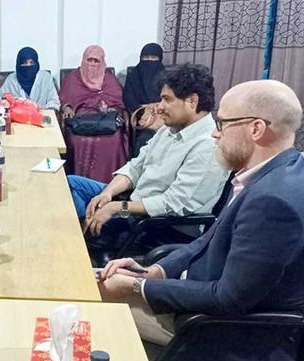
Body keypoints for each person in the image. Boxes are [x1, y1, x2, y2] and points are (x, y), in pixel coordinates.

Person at [98, 80, 304, 361]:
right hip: (202, 303)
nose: (215, 133)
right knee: (98, 285)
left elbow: (227, 300)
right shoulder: (275, 173)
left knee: (94, 304)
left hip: (225, 338)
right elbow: (207, 240)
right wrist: (154, 271)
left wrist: (137, 286)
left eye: (222, 123)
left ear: (255, 129)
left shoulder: (274, 202)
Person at [68, 63, 228, 245]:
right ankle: (85, 228)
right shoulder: (168, 131)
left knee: (69, 225)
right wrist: (108, 193)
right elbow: (135, 167)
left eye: (167, 100)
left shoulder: (207, 145)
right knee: (70, 185)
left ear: (192, 101)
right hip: (133, 202)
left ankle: (86, 237)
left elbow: (172, 204)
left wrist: (117, 208)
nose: (159, 107)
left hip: (157, 225)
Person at [59, 45, 128, 182]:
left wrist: (112, 109)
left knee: (115, 140)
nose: (92, 64)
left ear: (102, 62)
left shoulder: (109, 79)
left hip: (105, 120)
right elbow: (64, 98)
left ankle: (110, 184)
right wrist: (67, 107)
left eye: (96, 61)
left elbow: (119, 103)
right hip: (80, 120)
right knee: (76, 140)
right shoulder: (73, 78)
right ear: (83, 60)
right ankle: (79, 183)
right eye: (89, 60)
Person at [123, 43, 165, 154]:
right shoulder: (134, 75)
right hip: (142, 118)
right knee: (144, 140)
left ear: (160, 59)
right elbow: (128, 98)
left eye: (153, 58)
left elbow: (173, 99)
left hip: (165, 116)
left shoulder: (168, 76)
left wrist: (159, 108)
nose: (149, 61)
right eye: (146, 58)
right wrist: (143, 110)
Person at [0, 46, 60, 110]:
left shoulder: (45, 77)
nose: (28, 66)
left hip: (42, 114)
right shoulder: (11, 79)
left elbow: (54, 102)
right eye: (25, 63)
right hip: (17, 115)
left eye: (32, 62)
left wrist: (39, 108)